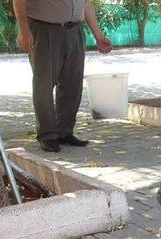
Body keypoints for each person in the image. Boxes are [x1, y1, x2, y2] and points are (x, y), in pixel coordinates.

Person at [13, 0, 113, 153]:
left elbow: (86, 4)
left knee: (72, 85)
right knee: (44, 86)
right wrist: (24, 29)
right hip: (44, 29)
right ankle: (47, 135)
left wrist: (98, 36)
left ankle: (64, 132)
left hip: (74, 31)